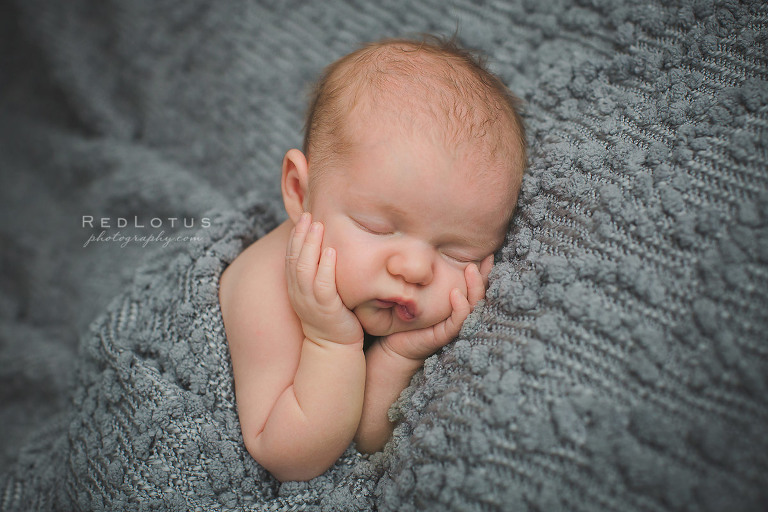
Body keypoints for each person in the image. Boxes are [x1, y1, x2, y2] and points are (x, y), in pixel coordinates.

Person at [218, 35, 526, 482]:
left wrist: (400, 354)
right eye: (378, 229)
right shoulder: (265, 288)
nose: (416, 269)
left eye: (457, 252)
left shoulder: (383, 297)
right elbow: (291, 455)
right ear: (301, 193)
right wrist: (332, 342)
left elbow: (365, 443)